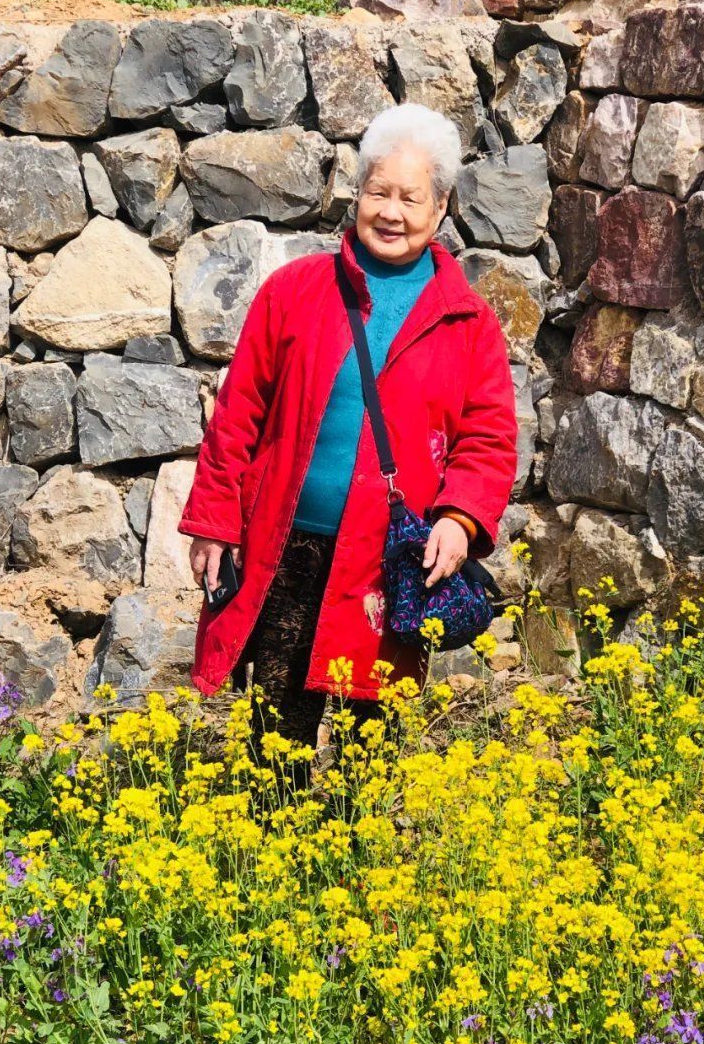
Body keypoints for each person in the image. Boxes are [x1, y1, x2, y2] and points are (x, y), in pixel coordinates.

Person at [178, 102, 518, 752]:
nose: (391, 211)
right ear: (357, 194)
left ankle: (353, 850)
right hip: (289, 548)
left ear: (440, 208)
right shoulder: (295, 291)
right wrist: (214, 523)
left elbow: (490, 438)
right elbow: (239, 412)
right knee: (278, 732)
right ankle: (275, 848)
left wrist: (460, 518)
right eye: (377, 191)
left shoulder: (467, 321)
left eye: (410, 198)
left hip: (390, 562)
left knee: (374, 741)